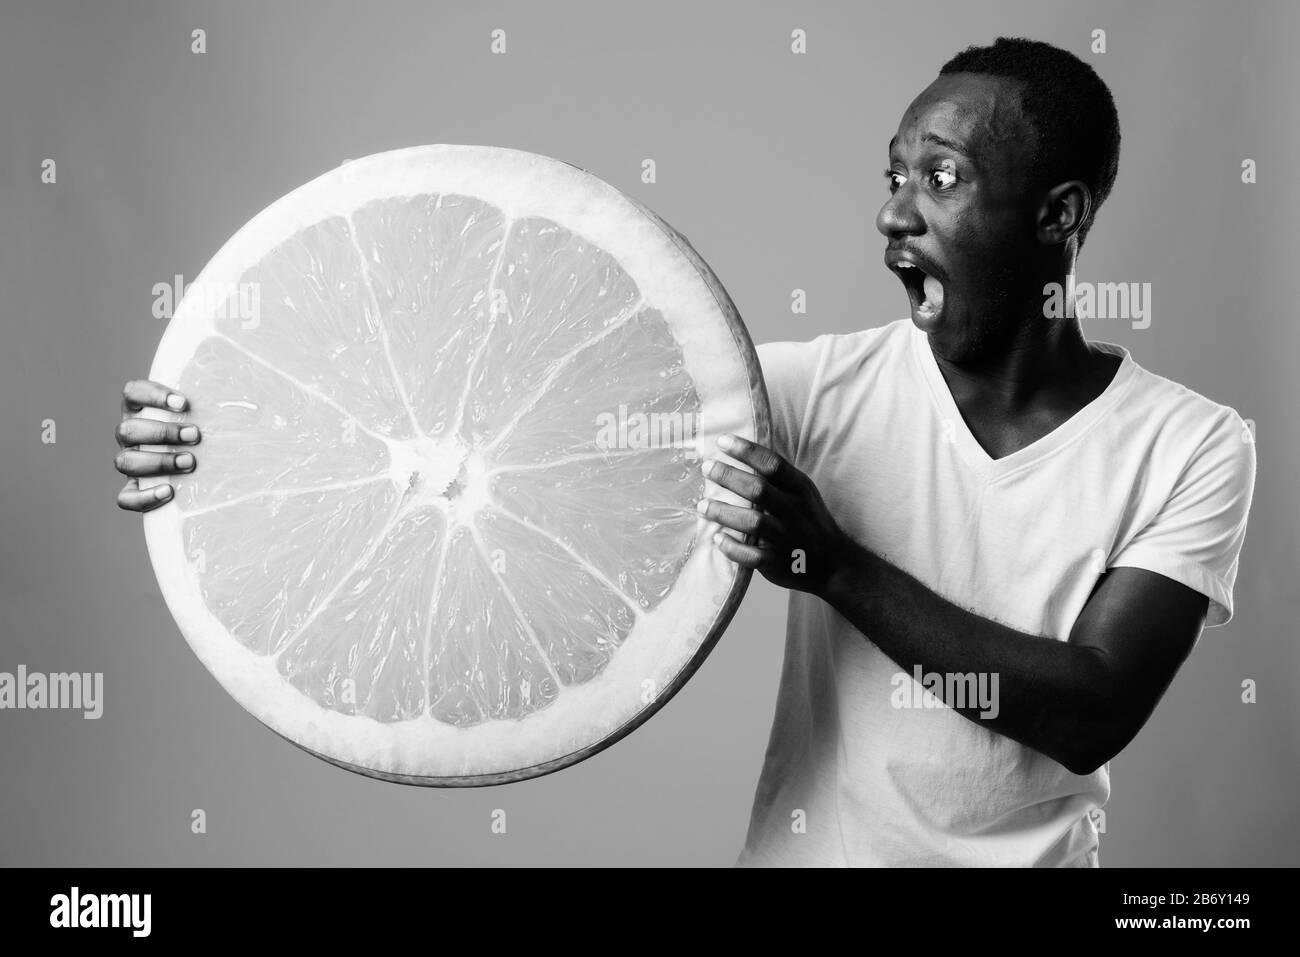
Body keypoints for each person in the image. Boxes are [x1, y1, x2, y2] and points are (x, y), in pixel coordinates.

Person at [115, 36, 1256, 867]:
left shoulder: (1192, 445)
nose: (894, 215)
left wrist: (832, 563)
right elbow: (519, 416)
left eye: (942, 179)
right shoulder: (807, 391)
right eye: (892, 176)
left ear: (1059, 216)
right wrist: (219, 432)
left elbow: (1091, 708)